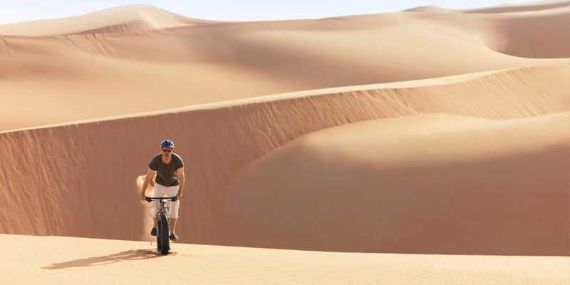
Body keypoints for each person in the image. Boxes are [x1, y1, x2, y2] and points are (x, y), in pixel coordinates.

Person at [139, 139, 185, 241]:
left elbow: (182, 176)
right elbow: (148, 177)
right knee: (156, 206)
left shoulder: (177, 160)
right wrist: (142, 193)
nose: (166, 152)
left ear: (172, 150)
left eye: (169, 150)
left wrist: (180, 192)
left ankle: (172, 232)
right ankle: (155, 227)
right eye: (165, 150)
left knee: (174, 208)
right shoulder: (156, 160)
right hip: (159, 184)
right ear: (161, 150)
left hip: (173, 185)